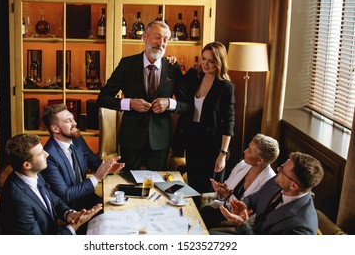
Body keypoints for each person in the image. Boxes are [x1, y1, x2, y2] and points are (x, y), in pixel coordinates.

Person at [97, 20, 190, 170]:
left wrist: (169, 103)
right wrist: (129, 104)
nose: (161, 43)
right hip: (131, 139)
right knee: (128, 184)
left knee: (157, 186)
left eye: (165, 39)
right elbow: (102, 99)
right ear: (145, 37)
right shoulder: (127, 64)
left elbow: (187, 104)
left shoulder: (173, 67)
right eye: (157, 37)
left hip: (160, 141)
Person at [0, 133, 101, 235]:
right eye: (40, 154)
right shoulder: (18, 201)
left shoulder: (34, 174)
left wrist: (69, 214)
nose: (46, 154)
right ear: (27, 165)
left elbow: (53, 199)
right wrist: (74, 226)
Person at [173, 41, 235, 195]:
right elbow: (176, 82)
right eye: (203, 59)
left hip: (213, 144)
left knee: (208, 190)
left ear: (219, 62)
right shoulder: (195, 76)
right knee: (193, 187)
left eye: (211, 61)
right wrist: (172, 63)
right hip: (192, 139)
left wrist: (223, 154)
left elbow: (229, 121)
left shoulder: (226, 87)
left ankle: (206, 218)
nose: (206, 64)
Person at [41, 103, 124, 211]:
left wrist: (109, 167)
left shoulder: (77, 140)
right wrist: (96, 178)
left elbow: (94, 162)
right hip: (70, 209)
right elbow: (66, 195)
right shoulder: (49, 156)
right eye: (68, 121)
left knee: (120, 210)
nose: (75, 123)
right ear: (55, 129)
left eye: (73, 119)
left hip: (87, 198)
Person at [218, 151, 324, 235]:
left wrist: (242, 225)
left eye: (282, 170)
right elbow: (254, 198)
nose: (278, 169)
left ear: (294, 186)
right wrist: (244, 205)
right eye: (282, 166)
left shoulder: (301, 228)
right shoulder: (279, 181)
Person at [200, 133, 279, 229]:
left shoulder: (269, 182)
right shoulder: (243, 164)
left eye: (249, 151)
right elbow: (226, 192)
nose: (245, 151)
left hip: (237, 222)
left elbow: (251, 217)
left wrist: (227, 195)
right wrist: (220, 191)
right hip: (223, 208)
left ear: (260, 160)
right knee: (201, 214)